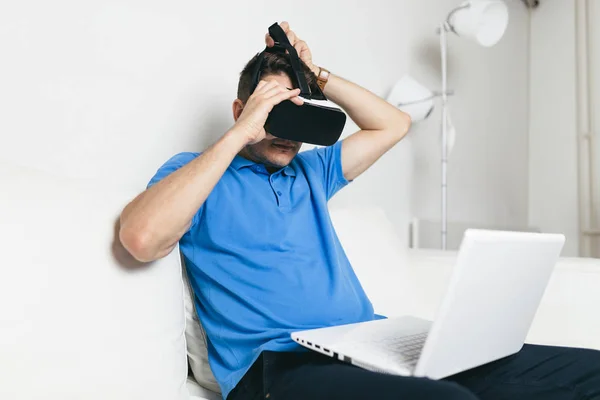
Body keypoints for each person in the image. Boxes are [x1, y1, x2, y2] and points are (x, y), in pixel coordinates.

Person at [119, 22, 600, 400]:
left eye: (298, 110)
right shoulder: (195, 172)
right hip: (277, 370)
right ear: (240, 110)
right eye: (274, 113)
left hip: (368, 345)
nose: (289, 130)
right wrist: (241, 133)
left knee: (587, 374)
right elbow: (141, 238)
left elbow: (393, 124)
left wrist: (316, 74)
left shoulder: (310, 172)